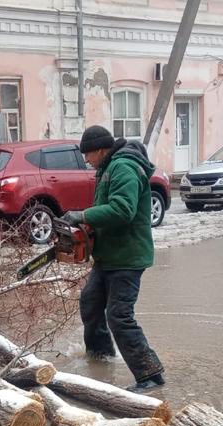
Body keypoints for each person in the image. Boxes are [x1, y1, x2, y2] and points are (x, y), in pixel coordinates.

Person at [62, 125, 165, 392]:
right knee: (91, 303)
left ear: (100, 149)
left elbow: (123, 209)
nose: (86, 160)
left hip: (127, 256)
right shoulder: (107, 169)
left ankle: (150, 375)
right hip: (108, 255)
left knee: (119, 315)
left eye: (88, 154)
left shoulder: (124, 167)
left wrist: (83, 215)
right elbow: (105, 210)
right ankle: (101, 356)